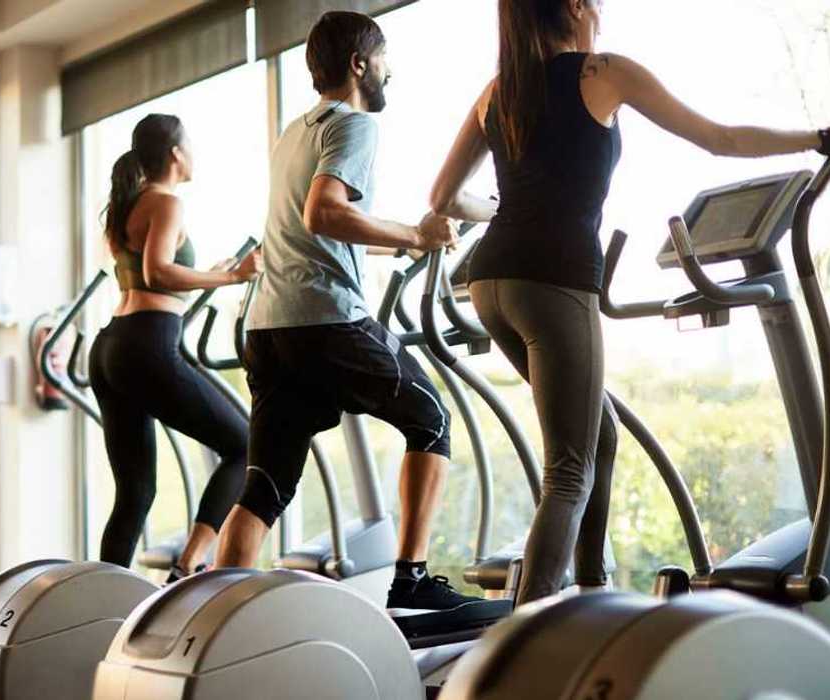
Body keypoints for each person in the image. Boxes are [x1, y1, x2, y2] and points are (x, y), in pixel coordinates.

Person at [429, 0, 830, 604]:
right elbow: (721, 139)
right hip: (557, 279)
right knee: (568, 470)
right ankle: (527, 641)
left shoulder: (497, 92)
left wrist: (503, 213)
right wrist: (817, 138)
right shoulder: (604, 72)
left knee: (601, 435)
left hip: (490, 282)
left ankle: (591, 591)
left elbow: (443, 197)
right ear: (572, 7)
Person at [213, 10, 474, 612]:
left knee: (266, 484)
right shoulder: (353, 125)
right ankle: (411, 578)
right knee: (431, 420)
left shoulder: (294, 133)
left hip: (267, 326)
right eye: (383, 59)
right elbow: (323, 213)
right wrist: (413, 234)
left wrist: (414, 237)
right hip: (322, 319)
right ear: (360, 64)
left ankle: (215, 616)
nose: (390, 72)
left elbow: (323, 229)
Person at [88, 113, 262, 582]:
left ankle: (96, 604)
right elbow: (157, 273)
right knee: (245, 445)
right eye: (191, 145)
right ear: (176, 155)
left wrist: (210, 273)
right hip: (147, 344)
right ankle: (189, 565)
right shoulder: (166, 202)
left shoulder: (126, 204)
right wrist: (232, 275)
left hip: (111, 347)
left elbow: (148, 277)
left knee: (135, 492)